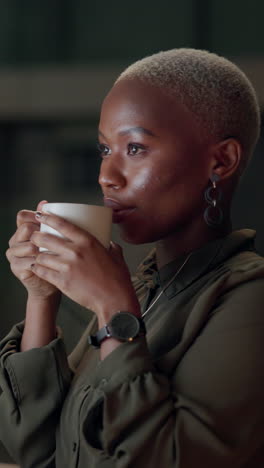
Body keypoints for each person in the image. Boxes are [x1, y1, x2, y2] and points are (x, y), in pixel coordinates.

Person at [1, 48, 264, 468]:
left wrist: (114, 311)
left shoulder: (248, 297)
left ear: (221, 161)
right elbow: (37, 447)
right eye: (106, 150)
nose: (107, 176)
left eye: (136, 148)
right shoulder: (139, 289)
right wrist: (41, 294)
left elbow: (164, 458)